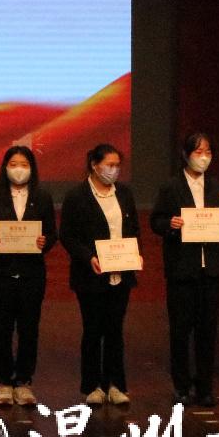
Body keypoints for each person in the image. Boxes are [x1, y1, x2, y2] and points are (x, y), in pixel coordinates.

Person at [150, 132, 219, 406]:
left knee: (207, 331)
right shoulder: (171, 187)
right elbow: (156, 221)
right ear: (186, 155)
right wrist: (170, 224)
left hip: (210, 269)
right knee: (180, 330)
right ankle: (181, 386)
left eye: (208, 152)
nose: (204, 157)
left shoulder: (217, 186)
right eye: (199, 152)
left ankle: (205, 388)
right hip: (182, 269)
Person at [59, 144, 141, 406]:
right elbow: (67, 236)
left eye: (117, 165)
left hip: (121, 273)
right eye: (109, 165)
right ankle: (92, 386)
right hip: (91, 276)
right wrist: (88, 257)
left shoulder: (124, 193)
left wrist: (135, 254)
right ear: (95, 165)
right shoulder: (77, 196)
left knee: (115, 330)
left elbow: (133, 229)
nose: (114, 170)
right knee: (93, 330)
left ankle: (116, 385)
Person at [0, 146, 57, 407]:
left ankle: (24, 382)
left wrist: (44, 242)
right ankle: (3, 383)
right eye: (13, 164)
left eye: (24, 164)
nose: (18, 169)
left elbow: (52, 233)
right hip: (1, 272)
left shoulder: (42, 197)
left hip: (32, 273)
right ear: (5, 167)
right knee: (1, 328)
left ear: (32, 168)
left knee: (29, 329)